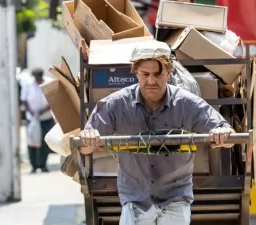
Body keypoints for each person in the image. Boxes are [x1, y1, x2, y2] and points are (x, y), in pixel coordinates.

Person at [79, 40, 235, 225]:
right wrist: (88, 138)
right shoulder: (115, 104)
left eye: (157, 74)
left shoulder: (188, 103)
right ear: (135, 71)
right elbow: (85, 148)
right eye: (145, 74)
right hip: (136, 200)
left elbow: (229, 137)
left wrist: (223, 134)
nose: (151, 81)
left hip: (174, 199)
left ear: (169, 73)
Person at [20, 68, 55, 173]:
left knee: (44, 142)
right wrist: (31, 112)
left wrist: (43, 111)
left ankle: (43, 165)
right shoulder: (28, 84)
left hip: (45, 118)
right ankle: (34, 166)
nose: (38, 79)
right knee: (32, 142)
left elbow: (53, 98)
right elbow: (24, 99)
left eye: (39, 76)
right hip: (32, 119)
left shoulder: (48, 82)